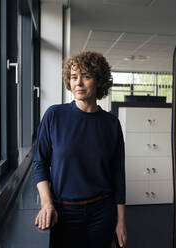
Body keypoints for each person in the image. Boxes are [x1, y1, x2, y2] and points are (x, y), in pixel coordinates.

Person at [33, 50, 127, 248]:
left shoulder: (111, 124)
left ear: (99, 81)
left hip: (102, 212)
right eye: (74, 77)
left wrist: (121, 221)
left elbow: (118, 174)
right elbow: (40, 163)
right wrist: (46, 203)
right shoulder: (54, 116)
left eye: (86, 76)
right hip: (64, 212)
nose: (79, 83)